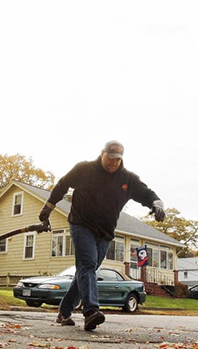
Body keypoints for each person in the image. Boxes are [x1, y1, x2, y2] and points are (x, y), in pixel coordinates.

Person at [38, 140, 165, 331]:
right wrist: (48, 208)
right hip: (81, 225)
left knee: (85, 270)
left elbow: (146, 193)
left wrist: (157, 204)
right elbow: (62, 185)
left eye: (118, 160)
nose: (113, 163)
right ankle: (91, 312)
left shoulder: (127, 179)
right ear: (102, 154)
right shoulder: (84, 169)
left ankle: (64, 311)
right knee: (87, 265)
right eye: (111, 158)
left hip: (105, 232)